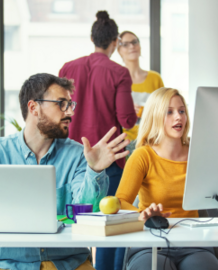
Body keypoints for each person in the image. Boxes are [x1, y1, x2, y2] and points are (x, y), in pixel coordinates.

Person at [0, 73, 132, 270]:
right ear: (34, 107)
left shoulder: (78, 155)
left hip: (71, 264)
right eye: (61, 104)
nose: (70, 112)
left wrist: (94, 169)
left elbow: (84, 214)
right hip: (15, 265)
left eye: (70, 104)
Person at [116, 87, 218, 270]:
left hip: (193, 243)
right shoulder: (142, 156)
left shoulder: (198, 154)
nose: (178, 117)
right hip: (151, 240)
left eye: (181, 111)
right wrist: (142, 215)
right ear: (155, 116)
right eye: (169, 112)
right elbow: (121, 201)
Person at [59, 12, 137, 270]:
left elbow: (62, 111)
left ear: (92, 38)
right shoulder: (119, 72)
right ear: (115, 42)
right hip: (107, 161)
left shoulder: (67, 68)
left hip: (71, 157)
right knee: (108, 226)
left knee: (70, 221)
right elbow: (126, 119)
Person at [116, 30, 164, 155]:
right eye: (125, 44)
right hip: (123, 144)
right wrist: (126, 110)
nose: (131, 46)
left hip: (151, 142)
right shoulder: (116, 79)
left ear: (140, 46)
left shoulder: (155, 78)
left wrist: (148, 111)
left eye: (134, 42)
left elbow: (165, 111)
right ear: (119, 50)